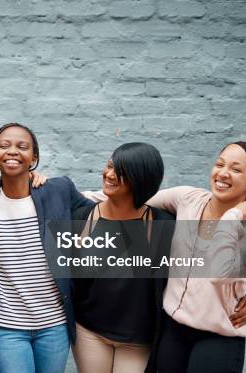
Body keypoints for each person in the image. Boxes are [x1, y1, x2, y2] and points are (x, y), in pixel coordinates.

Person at [84, 141, 246, 373]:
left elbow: (218, 275)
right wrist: (55, 192)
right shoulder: (188, 199)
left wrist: (232, 217)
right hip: (172, 331)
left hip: (217, 337)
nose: (223, 173)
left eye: (236, 169)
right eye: (219, 164)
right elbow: (130, 200)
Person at [0, 123, 93, 373]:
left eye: (22, 147)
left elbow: (98, 212)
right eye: (4, 146)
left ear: (34, 158)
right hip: (6, 327)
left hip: (54, 325)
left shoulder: (57, 189)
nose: (12, 151)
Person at [71, 143, 174, 373]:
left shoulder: (163, 224)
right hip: (89, 331)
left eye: (121, 171)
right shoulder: (82, 217)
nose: (109, 175)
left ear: (141, 179)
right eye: (109, 165)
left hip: (138, 339)